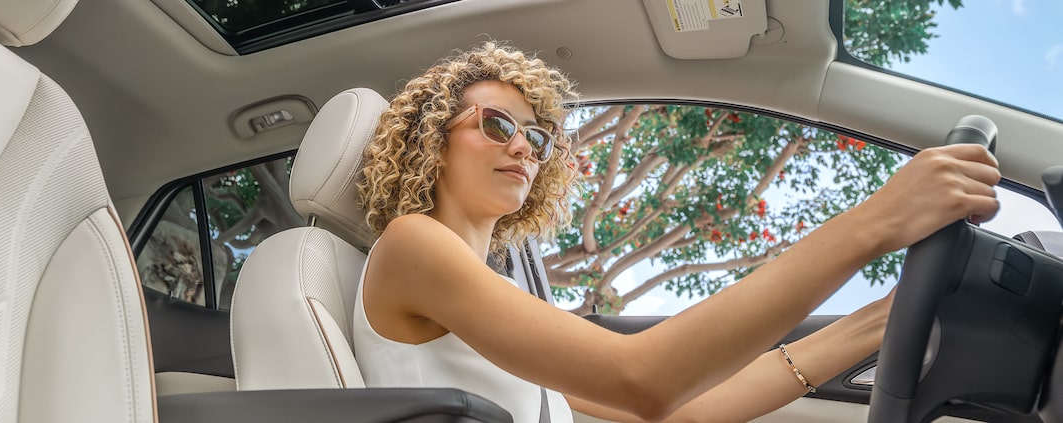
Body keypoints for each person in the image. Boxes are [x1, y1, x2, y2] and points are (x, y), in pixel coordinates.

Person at [351, 42, 1000, 422]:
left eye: (538, 135)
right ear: (432, 142)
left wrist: (882, 319)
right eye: (497, 125)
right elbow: (643, 377)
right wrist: (880, 219)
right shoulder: (414, 244)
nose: (525, 148)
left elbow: (677, 411)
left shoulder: (487, 300)